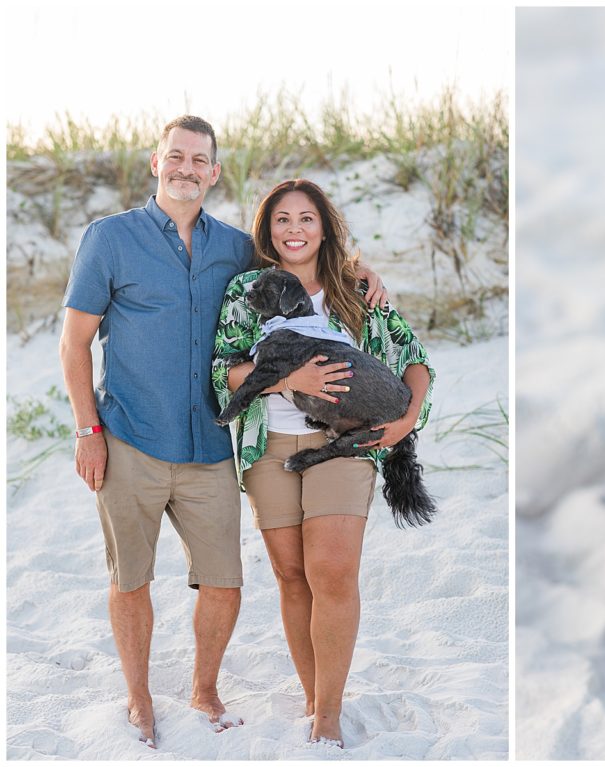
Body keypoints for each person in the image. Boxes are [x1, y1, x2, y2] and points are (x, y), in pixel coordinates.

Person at [58, 116, 386, 749]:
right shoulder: (109, 239)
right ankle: (138, 698)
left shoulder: (237, 249)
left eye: (199, 159)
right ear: (156, 162)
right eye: (175, 156)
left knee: (225, 584)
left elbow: (301, 253)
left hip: (211, 442)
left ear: (214, 172)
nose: (186, 168)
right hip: (128, 434)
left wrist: (360, 267)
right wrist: (86, 429)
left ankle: (204, 689)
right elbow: (74, 343)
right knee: (131, 578)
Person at [212, 178, 434, 747]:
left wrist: (406, 422)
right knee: (291, 577)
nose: (294, 230)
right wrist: (289, 380)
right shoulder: (247, 288)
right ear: (268, 230)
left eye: (306, 218)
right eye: (282, 220)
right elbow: (224, 371)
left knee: (331, 572)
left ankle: (329, 717)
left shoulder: (355, 286)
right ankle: (312, 697)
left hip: (342, 446)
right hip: (269, 447)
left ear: (324, 227)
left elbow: (413, 360)